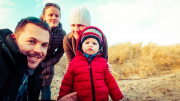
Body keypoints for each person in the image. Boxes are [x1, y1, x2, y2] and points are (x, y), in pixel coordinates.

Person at [0, 16, 77, 101]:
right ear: (14, 38)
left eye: (44, 45)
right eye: (31, 41)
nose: (38, 51)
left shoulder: (34, 70)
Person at [57, 26, 123, 101]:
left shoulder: (103, 62)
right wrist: (62, 98)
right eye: (87, 42)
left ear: (99, 48)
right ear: (81, 46)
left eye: (94, 43)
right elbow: (67, 84)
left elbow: (111, 82)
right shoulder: (75, 62)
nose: (90, 45)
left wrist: (117, 98)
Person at [63, 6, 112, 73]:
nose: (76, 30)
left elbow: (104, 62)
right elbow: (72, 63)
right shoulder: (67, 40)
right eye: (73, 25)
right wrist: (70, 67)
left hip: (96, 74)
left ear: (88, 26)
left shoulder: (101, 37)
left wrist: (108, 69)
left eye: (80, 25)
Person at [39, 3, 66, 100]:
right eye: (50, 15)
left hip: (48, 65)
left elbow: (60, 52)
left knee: (46, 88)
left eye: (57, 15)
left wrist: (52, 61)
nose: (54, 17)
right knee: (28, 86)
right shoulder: (37, 28)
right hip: (33, 62)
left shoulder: (62, 33)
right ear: (44, 17)